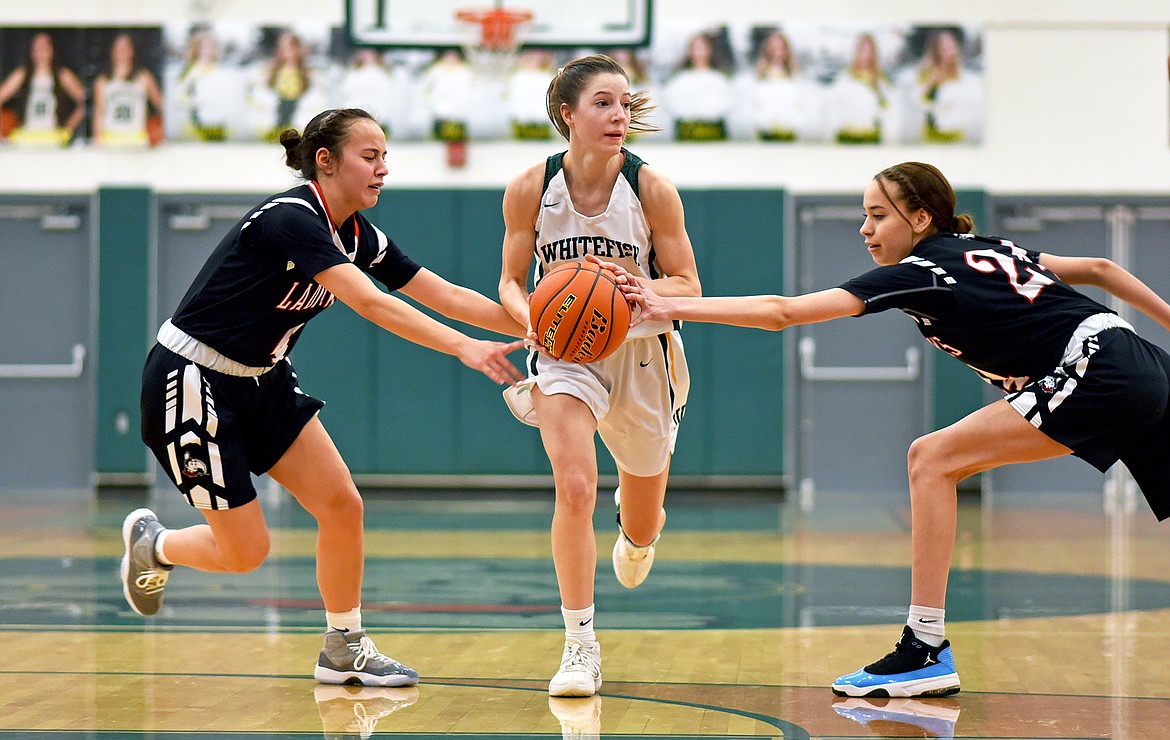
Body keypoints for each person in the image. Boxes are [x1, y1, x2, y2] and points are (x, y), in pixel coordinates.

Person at [620, 161, 1170, 697]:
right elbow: (1101, 268)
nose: (865, 229)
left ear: (922, 219)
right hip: (1138, 356)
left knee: (931, 459)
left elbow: (781, 312)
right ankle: (924, 647)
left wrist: (666, 304)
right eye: (865, 215)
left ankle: (924, 649)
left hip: (1094, 367)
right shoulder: (995, 249)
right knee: (937, 459)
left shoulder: (920, 272)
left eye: (879, 215)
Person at [122, 107, 527, 687]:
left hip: (264, 378)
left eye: (386, 156)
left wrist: (542, 323)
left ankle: (343, 647)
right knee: (245, 552)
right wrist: (466, 349)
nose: (383, 168)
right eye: (370, 156)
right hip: (191, 378)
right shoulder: (292, 217)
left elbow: (447, 293)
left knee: (342, 504)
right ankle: (154, 545)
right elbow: (373, 304)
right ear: (325, 161)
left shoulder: (360, 233)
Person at [497, 54, 702, 697]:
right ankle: (580, 646)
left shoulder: (650, 189)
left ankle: (638, 532)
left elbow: (690, 287)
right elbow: (508, 280)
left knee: (642, 522)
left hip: (645, 357)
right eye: (603, 104)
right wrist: (529, 318)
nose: (619, 115)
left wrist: (638, 288)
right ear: (568, 114)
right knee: (575, 487)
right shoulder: (532, 186)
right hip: (566, 354)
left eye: (623, 103)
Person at [0, 31, 86, 146]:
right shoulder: (22, 74)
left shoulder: (62, 74)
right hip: (27, 136)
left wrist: (67, 129)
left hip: (52, 137)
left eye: (44, 47)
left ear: (52, 50)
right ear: (31, 51)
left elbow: (85, 102)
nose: (40, 52)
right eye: (36, 48)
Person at [92, 32, 166, 147]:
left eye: (125, 47)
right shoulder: (102, 81)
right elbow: (98, 114)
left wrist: (159, 131)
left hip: (137, 141)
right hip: (111, 141)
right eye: (118, 48)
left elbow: (162, 105)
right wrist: (97, 140)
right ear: (112, 52)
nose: (122, 52)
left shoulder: (144, 77)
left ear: (132, 51)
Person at [824, 32, 896, 144]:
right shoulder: (845, 76)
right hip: (847, 136)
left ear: (874, 53)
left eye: (869, 50)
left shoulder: (880, 78)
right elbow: (832, 104)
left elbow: (886, 108)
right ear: (857, 51)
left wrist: (876, 91)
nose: (865, 54)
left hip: (870, 136)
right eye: (863, 50)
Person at [661, 31, 733, 141]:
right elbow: (672, 104)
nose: (699, 52)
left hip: (714, 131)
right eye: (695, 48)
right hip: (687, 131)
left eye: (702, 47)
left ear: (709, 50)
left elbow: (726, 104)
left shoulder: (720, 79)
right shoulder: (679, 80)